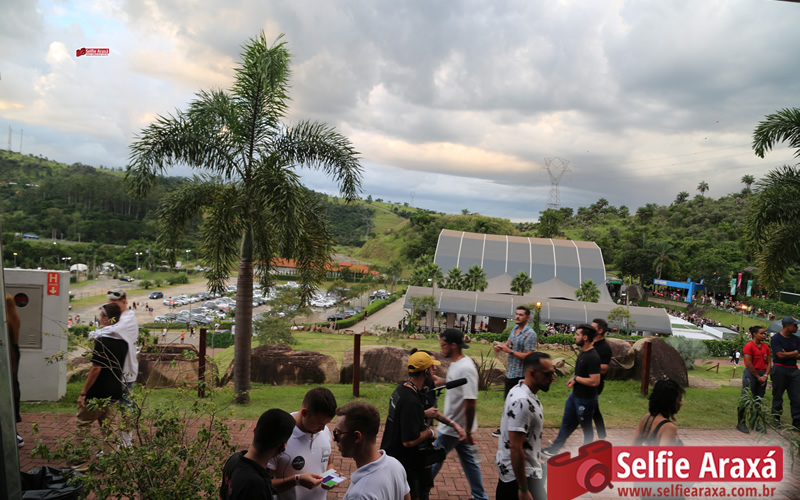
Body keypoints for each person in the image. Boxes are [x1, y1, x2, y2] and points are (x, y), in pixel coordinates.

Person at [430, 329, 486, 500]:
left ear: (453, 345)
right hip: (456, 426)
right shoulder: (457, 363)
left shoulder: (466, 368)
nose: (441, 348)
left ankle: (417, 491)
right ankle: (480, 496)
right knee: (470, 462)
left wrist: (467, 431)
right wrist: (441, 381)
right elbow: (456, 383)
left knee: (433, 460)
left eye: (443, 345)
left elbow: (471, 402)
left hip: (454, 427)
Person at [495, 352, 556, 500]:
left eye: (553, 373)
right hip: (519, 479)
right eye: (548, 374)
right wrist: (523, 489)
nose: (552, 378)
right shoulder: (522, 401)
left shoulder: (520, 390)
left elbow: (524, 438)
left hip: (523, 472)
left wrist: (535, 454)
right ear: (532, 373)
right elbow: (515, 447)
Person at [381, 351, 440, 500]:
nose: (435, 371)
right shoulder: (410, 401)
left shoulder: (402, 389)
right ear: (426, 372)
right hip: (404, 465)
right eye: (432, 368)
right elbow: (409, 441)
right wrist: (430, 433)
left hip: (393, 457)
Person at [542, 324, 601, 456]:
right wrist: (574, 378)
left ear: (585, 337)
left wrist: (577, 378)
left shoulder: (593, 357)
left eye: (577, 334)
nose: (574, 337)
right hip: (575, 396)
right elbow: (580, 373)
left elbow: (595, 381)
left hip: (586, 400)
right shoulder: (583, 353)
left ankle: (588, 453)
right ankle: (554, 449)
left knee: (586, 428)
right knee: (567, 423)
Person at [268, 388, 337, 499]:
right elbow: (264, 484)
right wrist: (296, 481)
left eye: (326, 424)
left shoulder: (324, 431)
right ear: (304, 412)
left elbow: (328, 463)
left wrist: (330, 477)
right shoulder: (280, 435)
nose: (323, 428)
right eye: (319, 423)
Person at [335, 402, 410, 500]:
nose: (334, 439)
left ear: (357, 437)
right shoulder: (395, 465)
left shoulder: (360, 495)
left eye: (338, 433)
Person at [75, 303, 129, 439]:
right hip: (114, 391)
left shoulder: (102, 341)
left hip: (98, 391)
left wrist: (83, 393)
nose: (99, 320)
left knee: (83, 424)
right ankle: (111, 452)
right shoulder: (124, 341)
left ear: (106, 319)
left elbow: (96, 369)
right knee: (110, 429)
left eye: (100, 317)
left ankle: (80, 452)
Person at [220, 408, 296, 500]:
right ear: (282, 447)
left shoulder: (233, 460)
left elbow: (221, 496)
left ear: (255, 431)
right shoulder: (258, 485)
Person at [492, 306, 538, 437]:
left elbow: (529, 356)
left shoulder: (530, 334)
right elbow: (508, 343)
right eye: (517, 314)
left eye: (521, 315)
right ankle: (506, 428)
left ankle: (516, 430)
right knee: (508, 401)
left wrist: (510, 351)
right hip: (510, 372)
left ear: (527, 317)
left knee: (519, 404)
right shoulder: (514, 329)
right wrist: (501, 347)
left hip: (521, 375)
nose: (517, 317)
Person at [737, 326, 772, 433]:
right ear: (754, 334)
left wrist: (765, 375)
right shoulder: (749, 346)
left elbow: (769, 363)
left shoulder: (765, 347)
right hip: (751, 374)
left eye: (765, 334)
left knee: (758, 399)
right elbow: (749, 363)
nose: (764, 335)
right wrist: (758, 377)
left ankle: (755, 422)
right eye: (761, 333)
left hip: (762, 374)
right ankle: (741, 423)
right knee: (746, 398)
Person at [632, 378, 684, 446]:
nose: (681, 404)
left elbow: (633, 447)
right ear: (670, 401)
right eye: (679, 400)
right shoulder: (668, 427)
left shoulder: (646, 418)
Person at [770, 316, 800, 430]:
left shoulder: (797, 339)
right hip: (779, 369)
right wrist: (795, 352)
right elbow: (780, 355)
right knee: (778, 395)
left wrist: (788, 353)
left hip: (794, 370)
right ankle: (776, 418)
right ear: (787, 326)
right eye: (795, 325)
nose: (797, 327)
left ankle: (797, 421)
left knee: (797, 397)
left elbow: (798, 355)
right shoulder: (776, 338)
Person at [5, 294, 23, 447]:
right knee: (12, 388)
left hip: (7, 358)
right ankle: (14, 432)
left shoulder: (4, 324)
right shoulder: (14, 320)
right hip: (13, 356)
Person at [591, 318, 613, 440]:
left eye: (593, 327)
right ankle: (601, 436)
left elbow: (604, 368)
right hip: (585, 382)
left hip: (595, 383)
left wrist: (588, 365)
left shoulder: (604, 348)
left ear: (600, 331)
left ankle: (599, 437)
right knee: (593, 410)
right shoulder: (591, 343)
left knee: (591, 410)